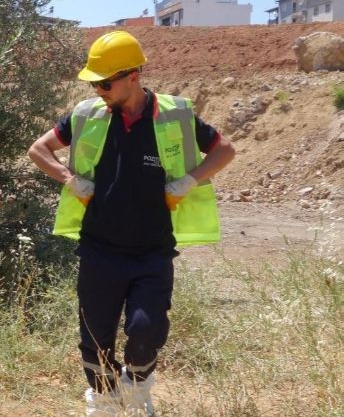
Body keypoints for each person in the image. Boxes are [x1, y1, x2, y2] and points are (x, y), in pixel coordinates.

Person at [27, 31, 235, 417]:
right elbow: (38, 150)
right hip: (98, 250)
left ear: (133, 77)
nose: (97, 90)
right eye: (93, 83)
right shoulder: (87, 115)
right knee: (94, 337)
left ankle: (137, 393)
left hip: (152, 252)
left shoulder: (175, 115)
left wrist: (190, 179)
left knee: (146, 330)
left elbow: (225, 150)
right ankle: (104, 401)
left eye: (104, 83)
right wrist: (69, 179)